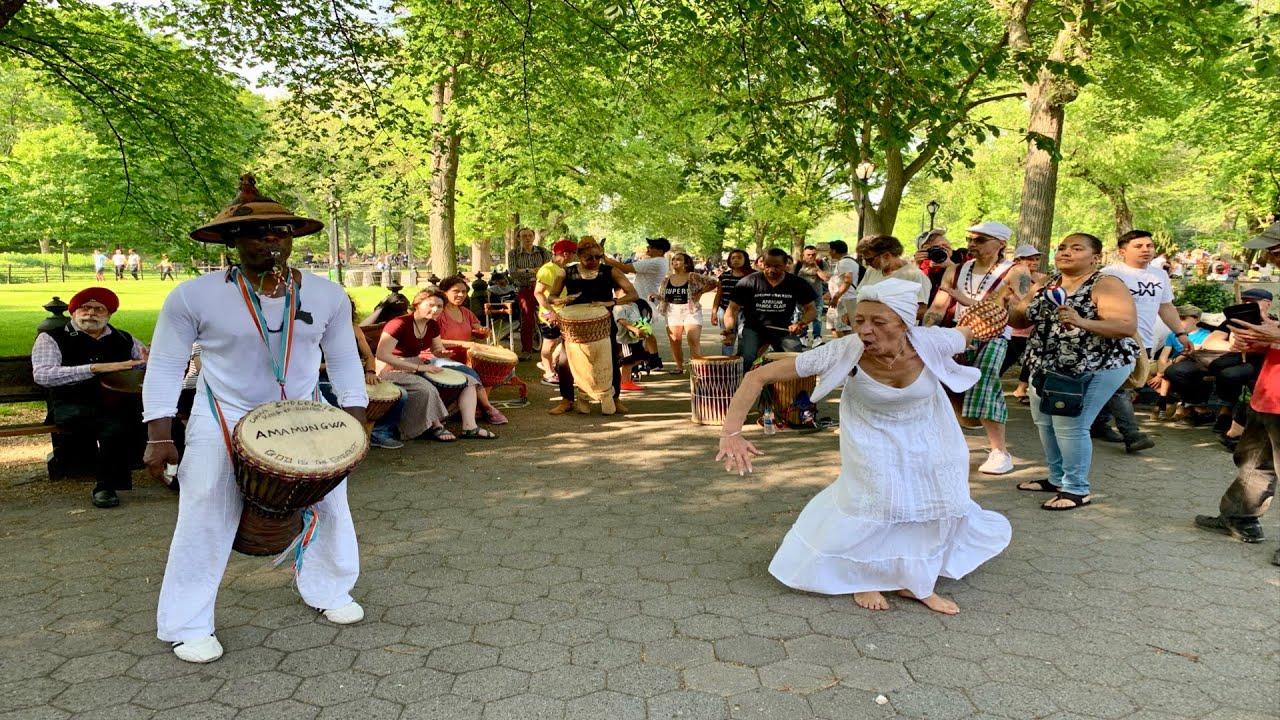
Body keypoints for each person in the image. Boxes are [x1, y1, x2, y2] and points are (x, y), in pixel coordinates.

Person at [141, 175, 369, 664]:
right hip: (222, 413)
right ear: (231, 241)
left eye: (280, 229)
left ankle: (330, 589)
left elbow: (347, 361)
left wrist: (354, 421)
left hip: (308, 417)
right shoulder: (192, 296)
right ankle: (187, 623)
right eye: (257, 230)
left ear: (292, 238)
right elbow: (164, 365)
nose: (271, 237)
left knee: (330, 506)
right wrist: (160, 436)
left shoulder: (328, 295)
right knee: (204, 510)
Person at [715, 278, 1011, 614]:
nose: (865, 330)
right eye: (859, 321)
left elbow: (972, 330)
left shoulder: (934, 341)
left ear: (904, 323)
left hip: (929, 433)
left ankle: (917, 582)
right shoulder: (844, 351)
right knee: (877, 503)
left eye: (878, 322)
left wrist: (996, 313)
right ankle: (865, 576)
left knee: (941, 501)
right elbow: (758, 376)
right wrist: (731, 433)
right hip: (872, 435)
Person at [1009, 233, 1139, 511]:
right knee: (1045, 422)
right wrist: (1014, 304)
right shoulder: (1048, 282)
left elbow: (1125, 325)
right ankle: (1057, 479)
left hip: (1093, 365)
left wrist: (1082, 322)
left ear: (1095, 257)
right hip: (1046, 364)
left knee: (1071, 425)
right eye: (1063, 247)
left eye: (1076, 248)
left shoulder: (1105, 283)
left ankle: (1076, 489)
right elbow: (1020, 318)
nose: (1065, 252)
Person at [1194, 222, 1280, 567]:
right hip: (1269, 393)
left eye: (1276, 250)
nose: (1272, 257)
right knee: (1253, 459)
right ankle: (1240, 517)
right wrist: (1258, 341)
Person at [924, 221, 1030, 476]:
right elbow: (938, 308)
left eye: (980, 240)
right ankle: (945, 445)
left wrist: (1013, 304)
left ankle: (999, 452)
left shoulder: (1016, 272)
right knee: (943, 386)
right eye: (971, 239)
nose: (972, 244)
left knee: (985, 382)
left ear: (1001, 243)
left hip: (994, 336)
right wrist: (924, 335)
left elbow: (1023, 313)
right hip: (958, 336)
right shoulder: (956, 271)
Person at [32, 286, 148, 508]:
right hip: (72, 402)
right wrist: (94, 368)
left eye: (98, 309)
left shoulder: (123, 338)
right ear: (73, 312)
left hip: (118, 401)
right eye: (84, 308)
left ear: (109, 314)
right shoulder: (51, 338)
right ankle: (105, 486)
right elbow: (43, 374)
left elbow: (143, 365)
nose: (90, 313)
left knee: (164, 418)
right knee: (113, 425)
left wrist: (148, 362)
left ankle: (175, 473)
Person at [1087, 230, 1183, 453]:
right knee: (1120, 385)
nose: (1146, 249)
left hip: (1144, 339)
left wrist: (1180, 333)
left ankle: (1098, 425)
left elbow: (1165, 306)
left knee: (1125, 384)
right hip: (1116, 337)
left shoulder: (1159, 275)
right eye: (1138, 246)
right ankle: (1132, 434)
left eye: (1149, 245)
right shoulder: (1109, 274)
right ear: (1122, 251)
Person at [376, 290, 497, 440]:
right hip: (390, 368)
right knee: (427, 388)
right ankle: (435, 426)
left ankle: (470, 427)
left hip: (417, 364)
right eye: (431, 305)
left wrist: (442, 353)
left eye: (439, 306)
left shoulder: (432, 325)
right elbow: (382, 354)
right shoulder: (399, 324)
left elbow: (436, 348)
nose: (435, 310)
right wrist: (419, 368)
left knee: (468, 381)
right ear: (417, 304)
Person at [545, 238, 640, 415]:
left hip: (602, 322)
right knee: (565, 363)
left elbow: (633, 294)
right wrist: (562, 301)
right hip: (573, 326)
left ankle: (615, 398)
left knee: (611, 360)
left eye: (598, 257)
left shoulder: (610, 271)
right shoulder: (566, 272)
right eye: (589, 258)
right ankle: (567, 400)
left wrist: (612, 302)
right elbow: (551, 297)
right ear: (579, 256)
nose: (595, 261)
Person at [722, 248, 817, 364]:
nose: (771, 270)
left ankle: (782, 381)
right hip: (753, 328)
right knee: (746, 357)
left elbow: (811, 310)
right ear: (762, 264)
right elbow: (732, 310)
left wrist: (800, 323)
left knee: (795, 360)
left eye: (776, 266)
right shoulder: (748, 282)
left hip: (783, 328)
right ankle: (747, 380)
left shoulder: (797, 283)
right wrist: (730, 331)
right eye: (767, 266)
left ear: (785, 265)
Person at [435, 275, 508, 425]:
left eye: (464, 291)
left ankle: (475, 407)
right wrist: (463, 344)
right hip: (437, 358)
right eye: (456, 291)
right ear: (444, 292)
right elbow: (432, 341)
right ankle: (487, 408)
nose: (461, 295)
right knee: (471, 373)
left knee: (502, 369)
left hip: (464, 358)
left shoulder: (466, 312)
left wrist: (483, 332)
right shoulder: (438, 313)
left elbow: (478, 331)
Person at [604, 237, 671, 368]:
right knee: (644, 330)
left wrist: (604, 258)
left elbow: (625, 268)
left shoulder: (656, 262)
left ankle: (643, 359)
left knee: (640, 331)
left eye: (650, 247)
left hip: (643, 302)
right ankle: (652, 358)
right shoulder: (658, 261)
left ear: (660, 250)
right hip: (643, 301)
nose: (648, 249)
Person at [656, 252, 718, 374]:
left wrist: (700, 292)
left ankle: (698, 368)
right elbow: (665, 296)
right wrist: (656, 296)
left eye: (678, 259)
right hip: (673, 311)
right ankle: (679, 366)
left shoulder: (693, 276)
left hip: (691, 311)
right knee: (675, 340)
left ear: (686, 263)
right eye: (673, 260)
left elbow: (713, 283)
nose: (675, 261)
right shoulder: (667, 279)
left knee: (693, 339)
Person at [534, 239, 580, 390]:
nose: (576, 256)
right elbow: (538, 293)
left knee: (569, 340)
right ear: (565, 254)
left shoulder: (562, 268)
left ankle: (551, 364)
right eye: (574, 253)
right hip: (550, 314)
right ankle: (548, 372)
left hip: (564, 312)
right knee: (550, 343)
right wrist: (551, 311)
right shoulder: (547, 269)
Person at [1004, 244, 1046, 404]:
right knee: (1007, 358)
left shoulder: (1042, 277)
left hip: (1034, 326)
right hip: (1014, 327)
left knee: (1031, 360)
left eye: (1036, 259)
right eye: (1029, 259)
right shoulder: (1014, 274)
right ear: (1017, 260)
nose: (1034, 262)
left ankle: (1021, 389)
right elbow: (1021, 298)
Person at [857, 235, 932, 315]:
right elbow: (859, 295)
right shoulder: (872, 270)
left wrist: (886, 316)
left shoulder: (915, 275)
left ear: (887, 255)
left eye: (869, 260)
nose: (867, 264)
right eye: (864, 259)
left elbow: (921, 311)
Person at [507, 228, 551, 355]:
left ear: (533, 237)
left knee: (549, 315)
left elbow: (547, 271)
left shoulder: (543, 252)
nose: (527, 238)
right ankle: (527, 349)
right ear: (518, 238)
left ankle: (549, 346)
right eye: (524, 236)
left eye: (530, 235)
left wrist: (523, 271)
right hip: (525, 289)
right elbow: (514, 274)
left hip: (543, 288)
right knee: (526, 319)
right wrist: (533, 271)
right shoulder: (513, 254)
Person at [711, 249, 752, 354]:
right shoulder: (724, 276)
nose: (736, 260)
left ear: (745, 260)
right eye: (733, 258)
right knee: (728, 338)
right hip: (725, 312)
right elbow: (719, 294)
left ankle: (742, 364)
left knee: (743, 338)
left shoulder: (752, 276)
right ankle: (726, 364)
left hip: (745, 313)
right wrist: (714, 312)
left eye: (739, 257)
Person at [824, 240, 861, 339]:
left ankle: (844, 350)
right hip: (840, 299)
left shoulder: (844, 262)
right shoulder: (847, 261)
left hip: (844, 300)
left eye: (830, 250)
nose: (829, 252)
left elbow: (847, 280)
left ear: (834, 250)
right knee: (833, 326)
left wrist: (836, 296)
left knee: (844, 329)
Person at [913, 229, 955, 305]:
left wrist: (951, 266)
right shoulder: (924, 267)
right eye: (936, 247)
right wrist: (916, 265)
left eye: (945, 245)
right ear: (925, 251)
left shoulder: (963, 256)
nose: (944, 249)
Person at [796, 246, 830, 340]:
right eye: (808, 255)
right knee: (801, 315)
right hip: (801, 295)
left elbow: (826, 278)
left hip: (817, 294)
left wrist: (816, 267)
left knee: (817, 316)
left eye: (813, 255)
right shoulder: (798, 264)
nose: (811, 257)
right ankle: (803, 336)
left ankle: (817, 337)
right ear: (804, 255)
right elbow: (792, 277)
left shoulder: (821, 263)